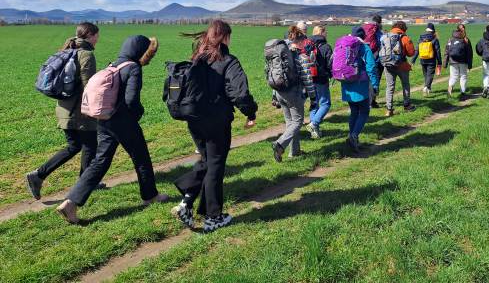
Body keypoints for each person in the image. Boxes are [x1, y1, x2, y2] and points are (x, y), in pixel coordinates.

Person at [56, 35, 168, 223]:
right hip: (123, 122)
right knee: (141, 157)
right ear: (140, 51)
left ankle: (70, 202)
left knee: (100, 162)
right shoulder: (133, 68)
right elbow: (131, 100)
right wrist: (138, 113)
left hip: (104, 120)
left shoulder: (112, 65)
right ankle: (150, 196)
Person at [172, 20, 258, 232]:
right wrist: (250, 112)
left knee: (207, 161)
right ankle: (213, 217)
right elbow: (240, 93)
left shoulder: (196, 59)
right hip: (216, 122)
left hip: (194, 120)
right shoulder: (228, 61)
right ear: (225, 37)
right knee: (215, 166)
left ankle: (186, 203)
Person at [26, 23, 106, 200]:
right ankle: (85, 185)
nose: (98, 39)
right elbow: (89, 87)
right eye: (97, 36)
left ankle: (38, 175)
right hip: (80, 111)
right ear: (91, 35)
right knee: (89, 146)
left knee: (75, 146)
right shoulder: (86, 55)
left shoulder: (67, 50)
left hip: (63, 109)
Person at [272, 26, 317, 162]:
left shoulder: (281, 54)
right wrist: (313, 97)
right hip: (294, 93)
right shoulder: (300, 56)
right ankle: (280, 144)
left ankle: (295, 151)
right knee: (297, 122)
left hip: (280, 92)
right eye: (304, 41)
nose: (305, 44)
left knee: (290, 123)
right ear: (300, 41)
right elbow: (307, 79)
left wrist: (274, 95)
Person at [339, 27, 379, 152]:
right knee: (364, 111)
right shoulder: (364, 48)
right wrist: (375, 84)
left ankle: (351, 137)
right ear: (363, 36)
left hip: (347, 83)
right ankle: (354, 136)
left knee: (354, 111)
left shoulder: (345, 47)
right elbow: (371, 67)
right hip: (360, 84)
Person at [382, 21, 416, 116]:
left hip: (387, 64)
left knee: (390, 86)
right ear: (404, 28)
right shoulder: (404, 37)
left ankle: (389, 109)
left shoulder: (386, 36)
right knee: (405, 85)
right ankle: (407, 105)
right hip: (401, 65)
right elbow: (411, 53)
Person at [308, 25, 333, 139]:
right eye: (325, 32)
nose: (326, 34)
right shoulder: (326, 47)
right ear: (322, 33)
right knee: (325, 104)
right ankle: (314, 124)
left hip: (309, 79)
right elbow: (330, 64)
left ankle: (315, 132)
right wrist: (331, 74)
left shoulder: (307, 45)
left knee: (314, 104)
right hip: (322, 79)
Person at [410, 23, 442, 96]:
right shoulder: (434, 38)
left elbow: (417, 50)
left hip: (423, 59)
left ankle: (428, 88)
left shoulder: (421, 38)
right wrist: (439, 62)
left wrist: (413, 60)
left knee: (426, 75)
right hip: (431, 60)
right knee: (430, 75)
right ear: (433, 30)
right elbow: (438, 51)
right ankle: (426, 87)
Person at [444, 27, 473, 100]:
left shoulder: (450, 40)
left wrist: (445, 63)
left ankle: (450, 87)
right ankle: (463, 93)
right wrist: (469, 65)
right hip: (463, 62)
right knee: (463, 76)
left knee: (453, 76)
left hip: (452, 61)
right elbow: (469, 54)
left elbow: (446, 53)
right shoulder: (464, 40)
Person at [363, 15, 384, 108]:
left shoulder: (365, 30)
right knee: (374, 80)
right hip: (376, 59)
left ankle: (367, 101)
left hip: (365, 59)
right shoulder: (378, 31)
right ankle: (371, 102)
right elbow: (381, 44)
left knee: (366, 80)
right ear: (380, 22)